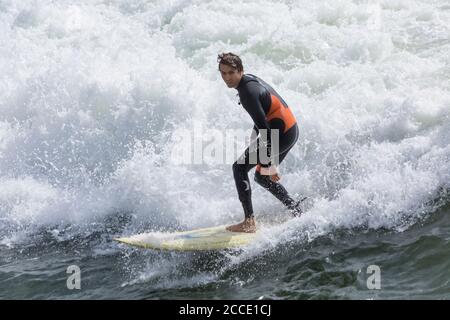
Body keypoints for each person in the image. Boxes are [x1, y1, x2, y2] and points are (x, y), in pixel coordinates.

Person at [218, 52, 303, 233]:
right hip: (290, 129)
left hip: (279, 133)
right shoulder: (249, 81)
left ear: (241, 71)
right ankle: (295, 210)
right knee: (262, 177)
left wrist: (270, 163)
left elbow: (265, 129)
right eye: (223, 73)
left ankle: (249, 222)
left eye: (231, 73)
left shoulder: (247, 93)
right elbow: (263, 118)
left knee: (239, 168)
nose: (227, 78)